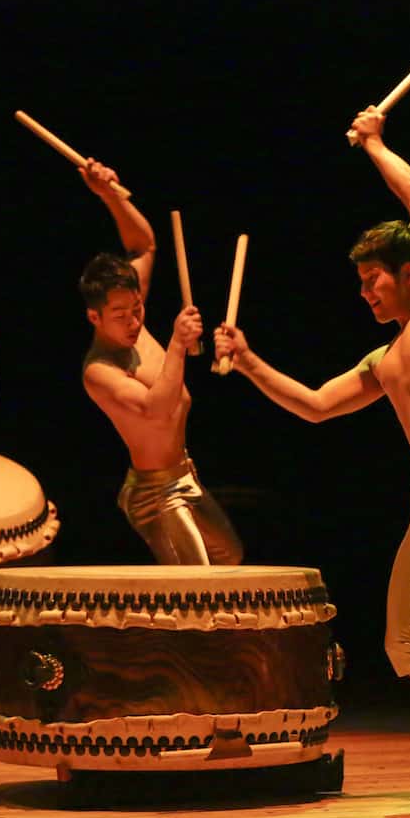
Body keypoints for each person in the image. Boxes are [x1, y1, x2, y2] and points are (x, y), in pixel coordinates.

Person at [213, 106, 410, 807]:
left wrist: (375, 145)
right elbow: (314, 404)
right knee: (404, 647)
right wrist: (246, 363)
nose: (366, 294)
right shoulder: (384, 358)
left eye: (375, 282)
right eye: (361, 286)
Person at [77, 160, 242, 565]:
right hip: (153, 492)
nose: (134, 321)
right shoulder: (100, 372)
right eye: (121, 315)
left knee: (231, 557)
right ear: (94, 317)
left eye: (138, 309)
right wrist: (177, 343)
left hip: (185, 475)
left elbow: (143, 246)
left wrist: (109, 195)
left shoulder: (132, 311)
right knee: (197, 589)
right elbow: (156, 409)